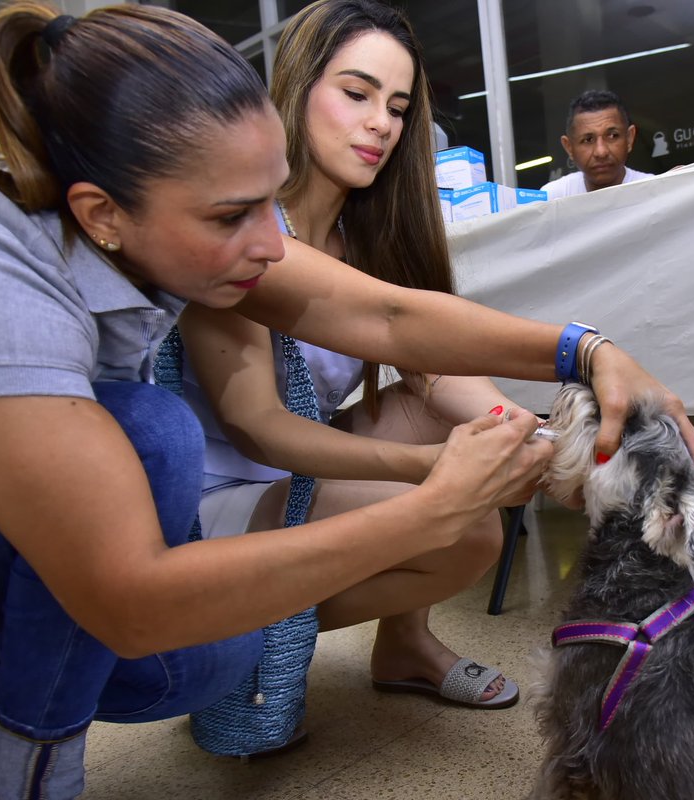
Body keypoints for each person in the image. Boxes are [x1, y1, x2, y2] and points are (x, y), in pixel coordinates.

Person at [0, 3, 694, 799]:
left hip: (68, 512)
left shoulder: (177, 221)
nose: (269, 246)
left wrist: (587, 356)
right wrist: (429, 499)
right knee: (153, 438)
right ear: (101, 215)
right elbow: (131, 603)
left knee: (207, 662)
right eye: (233, 215)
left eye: (397, 106)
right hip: (10, 521)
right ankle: (19, 756)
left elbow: (387, 320)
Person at [179, 0, 520, 720]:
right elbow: (258, 428)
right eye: (356, 93)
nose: (381, 124)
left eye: (397, 107)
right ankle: (233, 631)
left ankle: (403, 644)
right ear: (297, 90)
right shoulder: (241, 223)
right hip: (214, 496)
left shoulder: (366, 232)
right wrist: (431, 473)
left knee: (448, 419)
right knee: (465, 522)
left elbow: (434, 369)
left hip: (291, 476)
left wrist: (523, 434)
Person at [539, 89, 652, 200]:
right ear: (569, 147)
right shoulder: (552, 199)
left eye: (613, 136)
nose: (601, 152)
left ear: (629, 138)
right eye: (588, 140)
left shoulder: (654, 190)